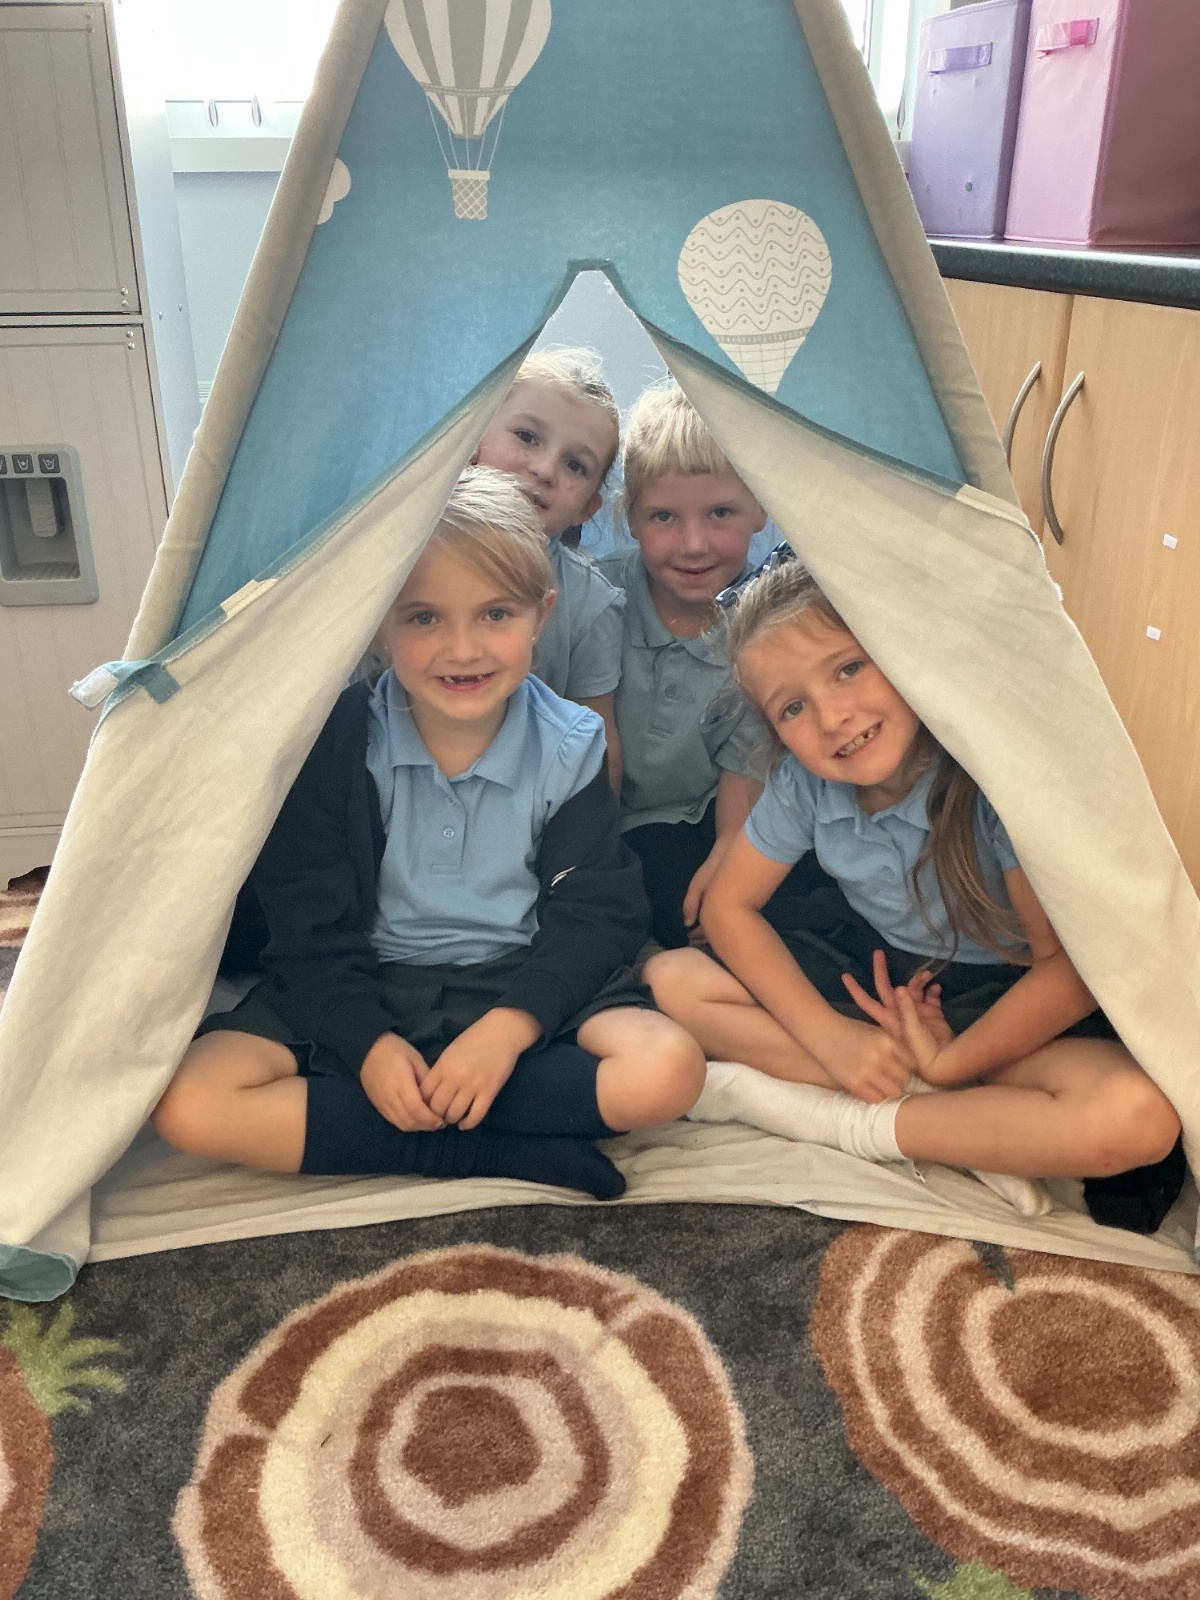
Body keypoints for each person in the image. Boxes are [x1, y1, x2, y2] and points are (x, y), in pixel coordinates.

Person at [154, 468, 705, 1199]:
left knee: (668, 1070)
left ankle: (418, 1125)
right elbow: (307, 927)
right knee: (189, 1099)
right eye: (424, 619)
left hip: (519, 974)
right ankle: (490, 1148)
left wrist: (507, 1030)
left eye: (495, 615)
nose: (463, 649)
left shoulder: (572, 743)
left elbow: (596, 915)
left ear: (540, 617)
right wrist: (368, 1045)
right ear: (382, 622)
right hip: (371, 981)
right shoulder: (338, 741)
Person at [646, 551, 1183, 1229]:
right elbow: (729, 907)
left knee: (1138, 1119)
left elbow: (1068, 974)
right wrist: (832, 1039)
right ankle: (957, 1120)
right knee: (671, 980)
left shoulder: (989, 781)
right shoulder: (804, 784)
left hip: (1009, 1005)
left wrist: (953, 1061)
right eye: (793, 707)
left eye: (848, 668)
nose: (832, 717)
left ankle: (863, 1124)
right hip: (884, 977)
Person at [601, 383, 823, 950]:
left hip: (724, 805)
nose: (694, 544)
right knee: (674, 908)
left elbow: (745, 762)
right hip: (633, 820)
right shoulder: (600, 598)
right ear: (631, 518)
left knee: (790, 889)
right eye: (664, 517)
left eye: (720, 513)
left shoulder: (766, 621)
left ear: (759, 509)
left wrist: (731, 851)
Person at [471, 346, 626, 789]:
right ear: (475, 439)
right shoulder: (406, 552)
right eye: (526, 436)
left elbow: (598, 739)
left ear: (588, 508)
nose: (543, 469)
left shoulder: (592, 603)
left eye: (575, 465)